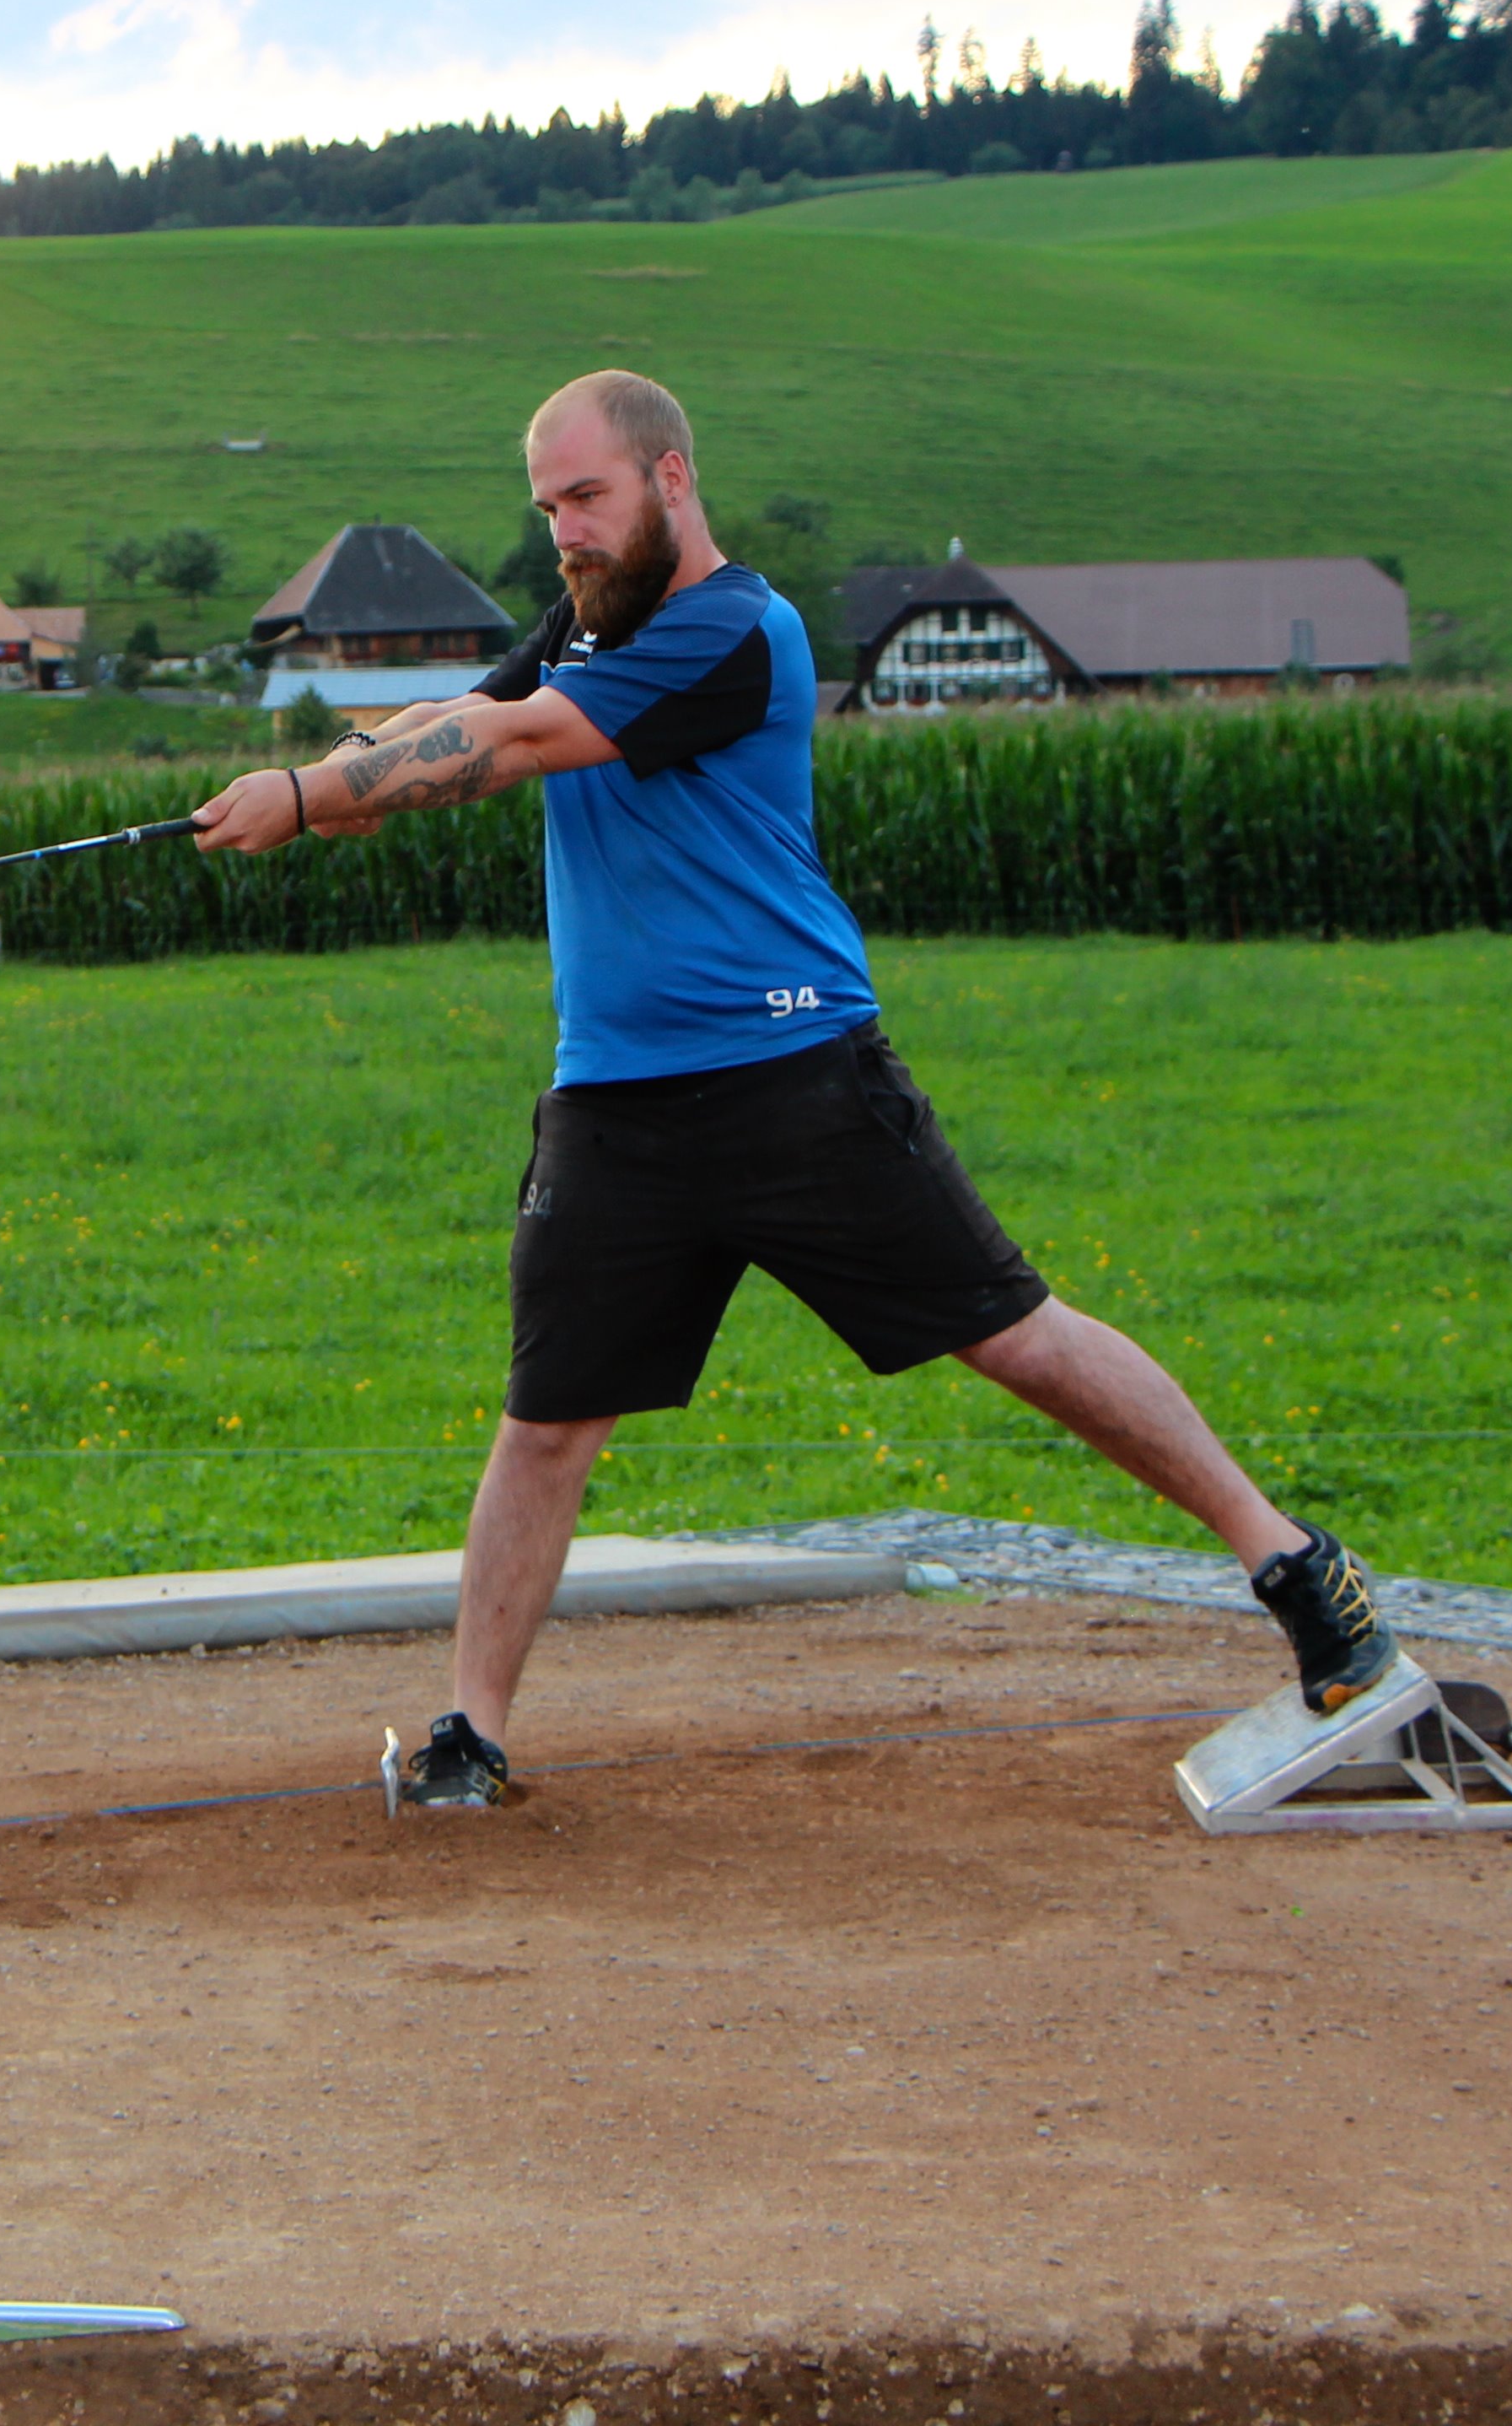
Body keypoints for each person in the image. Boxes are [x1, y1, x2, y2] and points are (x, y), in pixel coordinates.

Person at [190, 369, 1398, 1810]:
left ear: (672, 478)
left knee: (1014, 1335)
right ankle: (472, 1735)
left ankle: (1295, 1564)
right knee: (549, 1420)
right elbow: (476, 706)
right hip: (617, 1104)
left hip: (796, 1081)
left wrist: (311, 800)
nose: (565, 533)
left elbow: (507, 745)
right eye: (547, 508)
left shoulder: (731, 632)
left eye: (588, 497)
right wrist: (332, 765)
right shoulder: (587, 622)